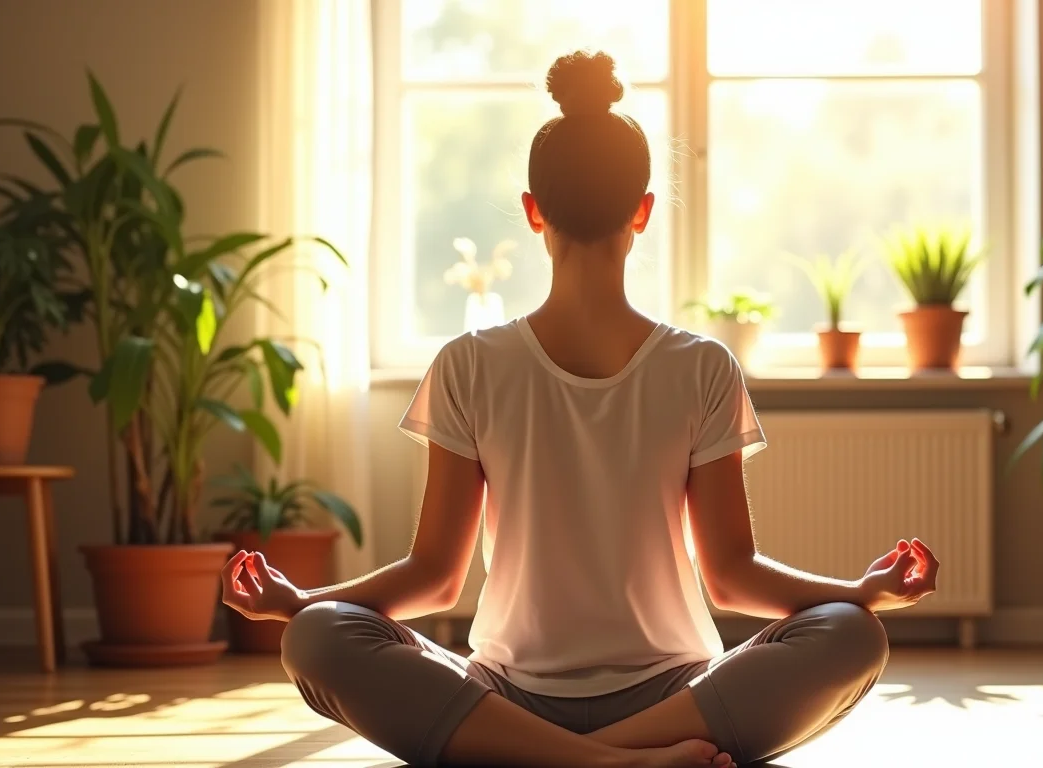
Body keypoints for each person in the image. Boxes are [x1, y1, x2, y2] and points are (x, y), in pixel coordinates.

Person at [220, 50, 940, 768]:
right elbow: (731, 574)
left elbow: (435, 577)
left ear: (533, 214)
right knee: (855, 634)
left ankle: (542, 759)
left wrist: (299, 601)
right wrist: (859, 591)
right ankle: (620, 762)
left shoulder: (468, 363)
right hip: (674, 704)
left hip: (510, 705)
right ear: (645, 212)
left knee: (313, 639)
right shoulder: (703, 366)